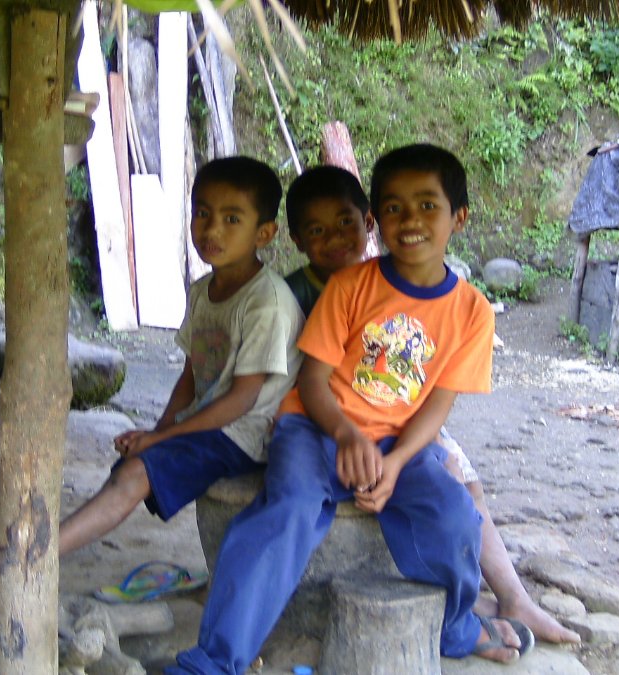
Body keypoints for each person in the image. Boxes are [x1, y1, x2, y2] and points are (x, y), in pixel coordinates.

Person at [170, 144, 537, 674]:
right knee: (287, 509)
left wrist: (395, 462)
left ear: (458, 217)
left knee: (455, 515)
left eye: (427, 205)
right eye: (394, 207)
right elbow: (313, 382)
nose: (410, 220)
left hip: (399, 442)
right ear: (377, 220)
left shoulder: (473, 311)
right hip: (315, 428)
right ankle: (215, 657)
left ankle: (455, 626)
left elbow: (438, 404)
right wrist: (346, 435)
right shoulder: (349, 287)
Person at [0, 156, 305, 611]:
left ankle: (20, 565)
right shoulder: (204, 291)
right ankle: (27, 559)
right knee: (131, 467)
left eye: (232, 219)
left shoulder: (266, 302)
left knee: (133, 475)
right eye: (202, 213)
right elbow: (192, 376)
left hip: (249, 434)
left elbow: (242, 400)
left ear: (265, 234)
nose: (212, 229)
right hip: (215, 427)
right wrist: (157, 431)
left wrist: (163, 438)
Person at [283, 165, 580, 645]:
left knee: (462, 483)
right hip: (332, 415)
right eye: (317, 231)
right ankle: (482, 599)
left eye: (345, 225)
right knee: (449, 476)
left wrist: (410, 446)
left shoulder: (419, 286)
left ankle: (509, 596)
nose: (335, 239)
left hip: (403, 414)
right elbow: (303, 376)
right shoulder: (306, 291)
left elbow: (434, 390)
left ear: (366, 225)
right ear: (297, 239)